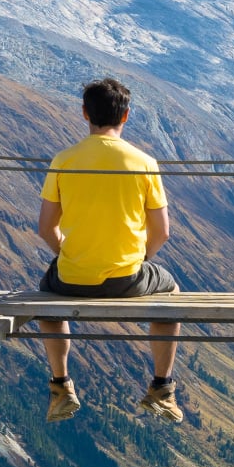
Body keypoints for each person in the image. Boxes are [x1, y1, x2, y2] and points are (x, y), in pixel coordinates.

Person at [36, 77, 183, 424]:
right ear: (126, 116)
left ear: (85, 113)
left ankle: (61, 385)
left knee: (46, 300)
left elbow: (45, 228)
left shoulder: (64, 160)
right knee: (172, 296)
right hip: (128, 278)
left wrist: (66, 254)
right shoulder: (144, 162)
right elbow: (162, 232)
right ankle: (162, 387)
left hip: (71, 277)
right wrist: (139, 259)